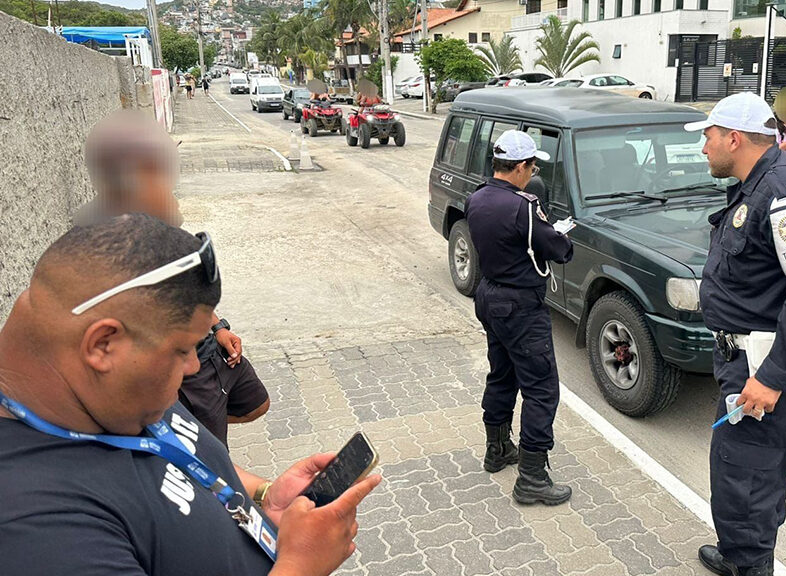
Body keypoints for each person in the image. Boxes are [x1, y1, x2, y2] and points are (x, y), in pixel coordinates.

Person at [0, 214, 381, 575]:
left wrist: (264, 498)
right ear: (103, 344)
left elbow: (183, 458)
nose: (194, 368)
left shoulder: (114, 392)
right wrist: (301, 566)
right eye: (182, 351)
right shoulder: (35, 528)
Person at [685, 93, 786, 576]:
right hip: (745, 360)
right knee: (745, 474)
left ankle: (748, 564)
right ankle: (738, 554)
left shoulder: (783, 193)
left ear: (733, 137)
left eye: (708, 137)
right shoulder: (757, 184)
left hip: (762, 366)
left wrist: (771, 378)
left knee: (745, 483)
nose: (704, 148)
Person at [77, 110, 270, 447]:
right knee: (209, 457)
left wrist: (218, 326)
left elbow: (187, 288)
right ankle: (187, 436)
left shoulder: (161, 214)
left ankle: (192, 430)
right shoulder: (106, 240)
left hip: (211, 348)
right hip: (188, 372)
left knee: (257, 404)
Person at [464, 130, 575, 506]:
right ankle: (531, 477)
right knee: (541, 388)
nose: (532, 173)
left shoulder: (477, 197)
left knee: (502, 374)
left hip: (489, 295)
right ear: (522, 167)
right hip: (520, 305)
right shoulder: (523, 206)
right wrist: (560, 235)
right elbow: (557, 249)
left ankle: (497, 450)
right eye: (532, 166)